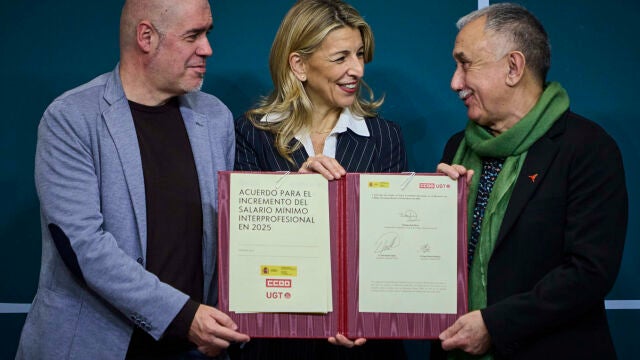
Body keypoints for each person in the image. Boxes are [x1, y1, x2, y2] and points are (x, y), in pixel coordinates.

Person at [16, 0, 250, 359]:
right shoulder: (70, 118)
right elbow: (83, 247)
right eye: (193, 35)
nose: (208, 48)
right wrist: (184, 316)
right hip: (93, 346)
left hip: (192, 349)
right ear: (146, 37)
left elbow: (238, 228)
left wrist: (304, 190)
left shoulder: (215, 118)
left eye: (207, 33)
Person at [435, 3, 627, 359]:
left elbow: (589, 272)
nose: (454, 82)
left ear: (513, 67)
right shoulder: (456, 148)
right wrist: (430, 212)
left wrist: (495, 325)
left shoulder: (586, 148)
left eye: (465, 64)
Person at [232, 0, 407, 359]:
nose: (357, 69)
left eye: (359, 55)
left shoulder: (386, 137)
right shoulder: (251, 133)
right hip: (279, 341)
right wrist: (298, 191)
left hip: (363, 344)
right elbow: (245, 248)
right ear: (299, 65)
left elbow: (392, 251)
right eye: (341, 57)